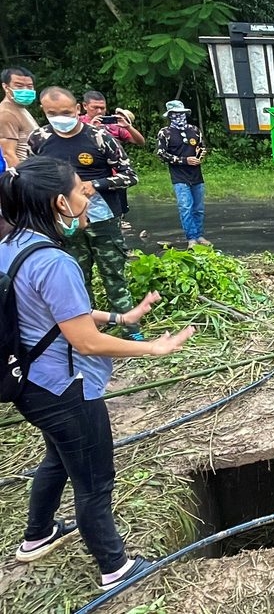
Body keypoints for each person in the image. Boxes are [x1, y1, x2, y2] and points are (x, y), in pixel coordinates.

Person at [0, 156, 195, 590]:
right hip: (65, 389)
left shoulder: (13, 246)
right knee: (95, 481)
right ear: (58, 203)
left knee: (58, 456)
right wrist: (152, 347)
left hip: (29, 385)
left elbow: (59, 313)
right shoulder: (55, 262)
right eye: (82, 192)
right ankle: (115, 567)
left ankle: (37, 535)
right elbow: (83, 340)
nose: (89, 197)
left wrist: (123, 317)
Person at [27, 86, 143, 339]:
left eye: (66, 112)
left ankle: (129, 327)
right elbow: (32, 178)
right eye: (52, 112)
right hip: (63, 220)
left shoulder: (99, 137)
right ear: (44, 112)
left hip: (103, 217)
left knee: (113, 272)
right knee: (76, 274)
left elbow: (130, 175)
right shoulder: (39, 140)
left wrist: (97, 184)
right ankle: (88, 328)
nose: (61, 117)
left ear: (78, 109)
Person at [80, 91, 146, 231]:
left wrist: (127, 126)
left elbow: (140, 141)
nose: (99, 111)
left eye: (102, 108)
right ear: (85, 106)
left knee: (116, 212)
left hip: (114, 175)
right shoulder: (78, 124)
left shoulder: (113, 126)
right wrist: (92, 129)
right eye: (95, 108)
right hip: (86, 175)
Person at [156, 100, 210, 249]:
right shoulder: (165, 133)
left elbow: (202, 146)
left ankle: (199, 235)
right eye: (175, 114)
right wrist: (183, 160)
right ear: (170, 116)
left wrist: (200, 156)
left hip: (196, 174)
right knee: (186, 207)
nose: (179, 116)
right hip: (179, 176)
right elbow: (161, 154)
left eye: (181, 114)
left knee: (198, 208)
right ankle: (191, 237)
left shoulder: (194, 130)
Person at [0, 66, 38, 167]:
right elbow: (8, 154)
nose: (26, 90)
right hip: (24, 173)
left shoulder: (19, 108)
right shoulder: (5, 113)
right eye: (19, 86)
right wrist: (20, 179)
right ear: (5, 87)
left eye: (30, 86)